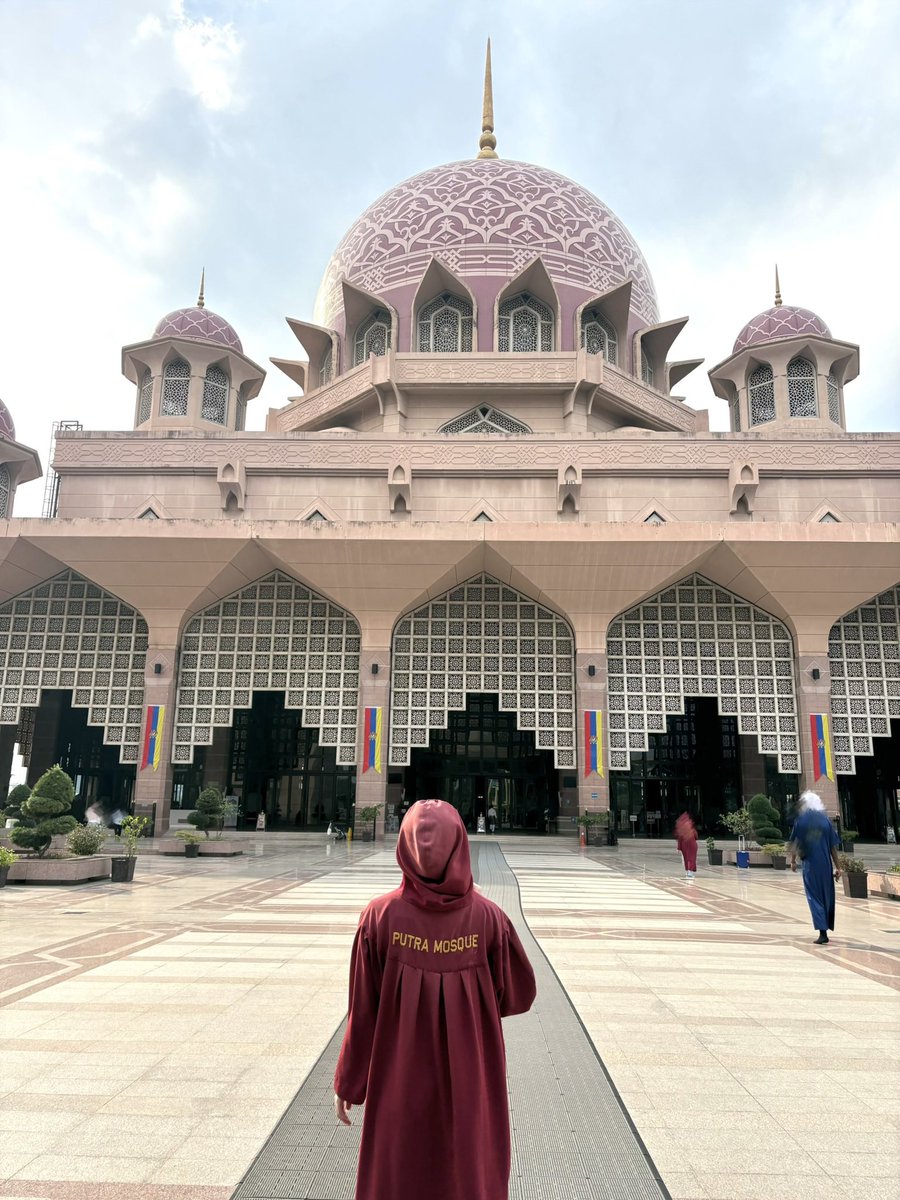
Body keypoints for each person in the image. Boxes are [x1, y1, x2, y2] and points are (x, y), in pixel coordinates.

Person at [333, 799, 536, 1200]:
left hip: (398, 1080)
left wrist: (350, 1082)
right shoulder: (490, 920)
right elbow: (518, 995)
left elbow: (363, 1013)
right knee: (468, 1169)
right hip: (472, 1079)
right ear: (461, 844)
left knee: (400, 1171)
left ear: (404, 849)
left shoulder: (378, 918)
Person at [789, 790, 841, 944]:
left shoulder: (801, 820)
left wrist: (792, 861)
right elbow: (833, 847)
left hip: (810, 865)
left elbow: (794, 843)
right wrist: (838, 867)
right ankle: (825, 928)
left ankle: (822, 932)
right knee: (826, 896)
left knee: (814, 897)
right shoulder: (825, 821)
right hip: (826, 865)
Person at [675, 811, 698, 880]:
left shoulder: (681, 828)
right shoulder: (691, 828)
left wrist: (678, 848)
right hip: (692, 845)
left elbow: (679, 838)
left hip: (684, 846)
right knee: (692, 859)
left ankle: (688, 871)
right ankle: (690, 872)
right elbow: (696, 836)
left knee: (686, 859)